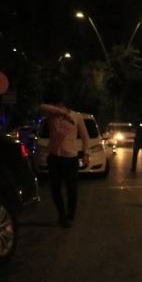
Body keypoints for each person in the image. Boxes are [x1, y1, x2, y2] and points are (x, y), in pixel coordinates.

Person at [39, 85, 90, 228]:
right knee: (55, 189)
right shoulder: (52, 115)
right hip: (54, 157)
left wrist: (86, 153)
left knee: (71, 189)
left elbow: (85, 136)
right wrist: (62, 113)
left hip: (70, 158)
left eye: (55, 103)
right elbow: (42, 107)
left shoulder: (76, 116)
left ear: (61, 101)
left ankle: (70, 215)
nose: (53, 105)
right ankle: (61, 214)